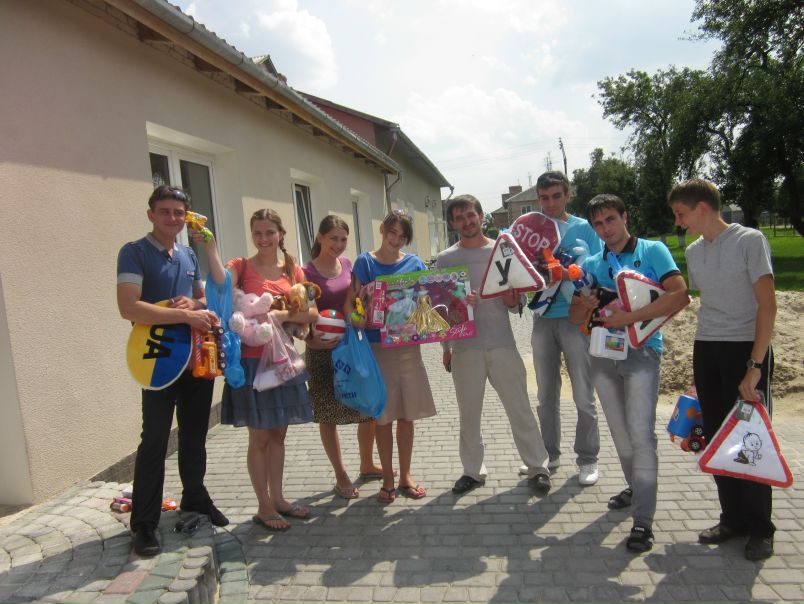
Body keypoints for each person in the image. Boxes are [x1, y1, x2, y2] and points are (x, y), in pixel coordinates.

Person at [570, 194, 689, 553]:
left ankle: (643, 520)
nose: (605, 228)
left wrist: (629, 318)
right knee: (620, 434)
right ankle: (636, 488)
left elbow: (680, 295)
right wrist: (585, 304)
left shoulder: (653, 250)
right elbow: (576, 317)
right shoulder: (592, 263)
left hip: (643, 353)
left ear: (625, 216)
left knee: (640, 435)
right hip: (603, 355)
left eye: (610, 219)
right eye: (598, 224)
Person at [117, 185, 228, 557]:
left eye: (179, 212)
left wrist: (194, 304)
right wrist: (184, 315)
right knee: (154, 441)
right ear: (151, 214)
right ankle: (144, 524)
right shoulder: (134, 252)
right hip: (157, 362)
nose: (173, 218)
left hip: (194, 359)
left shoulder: (187, 253)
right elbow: (129, 307)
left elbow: (202, 297)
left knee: (195, 436)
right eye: (165, 211)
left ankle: (195, 498)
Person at [669, 178, 777, 561]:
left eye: (681, 214)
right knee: (717, 436)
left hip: (745, 350)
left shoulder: (749, 241)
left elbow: (768, 305)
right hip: (707, 348)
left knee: (749, 439)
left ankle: (761, 528)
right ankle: (732, 518)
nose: (678, 222)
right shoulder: (694, 251)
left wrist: (755, 365)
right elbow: (708, 302)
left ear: (702, 208)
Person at [200, 208, 317, 532]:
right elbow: (219, 286)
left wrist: (281, 316)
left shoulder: (294, 269)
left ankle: (278, 499)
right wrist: (210, 248)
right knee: (260, 437)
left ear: (280, 234)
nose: (263, 239)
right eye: (257, 233)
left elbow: (312, 313)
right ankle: (263, 506)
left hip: (282, 362)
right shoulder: (241, 266)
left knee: (279, 434)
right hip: (251, 363)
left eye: (269, 233)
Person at [437, 195, 552, 496]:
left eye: (470, 215)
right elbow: (441, 309)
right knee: (468, 414)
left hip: (502, 343)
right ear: (452, 224)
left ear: (481, 215)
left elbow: (517, 303)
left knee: (519, 408)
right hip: (465, 348)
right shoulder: (445, 259)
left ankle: (538, 467)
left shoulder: (503, 250)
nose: (466, 221)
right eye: (459, 218)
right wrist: (446, 348)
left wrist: (511, 299)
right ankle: (472, 471)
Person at [346, 210, 436, 503]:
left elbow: (426, 301)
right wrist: (358, 317)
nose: (395, 240)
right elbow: (351, 305)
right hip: (377, 349)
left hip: (408, 348)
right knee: (383, 417)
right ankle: (387, 477)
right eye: (392, 233)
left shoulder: (415, 263)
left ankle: (405, 475)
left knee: (407, 415)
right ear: (382, 230)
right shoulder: (365, 263)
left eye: (402, 236)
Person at [526, 171, 603, 485]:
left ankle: (588, 459)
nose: (551, 203)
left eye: (557, 196)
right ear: (538, 199)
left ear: (568, 195)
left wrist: (574, 278)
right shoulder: (532, 230)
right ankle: (549, 455)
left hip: (576, 318)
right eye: (544, 198)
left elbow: (599, 267)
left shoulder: (584, 228)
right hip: (543, 317)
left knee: (583, 393)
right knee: (546, 394)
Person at [303, 215, 384, 499]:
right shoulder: (305, 272)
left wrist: (365, 309)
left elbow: (357, 300)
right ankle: (341, 475)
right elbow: (302, 313)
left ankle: (367, 463)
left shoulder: (349, 265)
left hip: (352, 346)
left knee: (366, 406)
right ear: (320, 237)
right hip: (322, 351)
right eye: (333, 238)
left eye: (343, 239)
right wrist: (310, 338)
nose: (338, 244)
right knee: (328, 414)